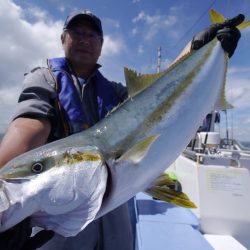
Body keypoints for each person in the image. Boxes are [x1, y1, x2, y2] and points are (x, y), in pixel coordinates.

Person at [0, 9, 243, 250]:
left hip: (116, 228)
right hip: (61, 238)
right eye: (76, 32)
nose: (84, 38)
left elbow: (164, 88)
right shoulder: (44, 80)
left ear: (102, 44)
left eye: (92, 34)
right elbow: (27, 126)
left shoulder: (116, 93)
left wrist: (198, 47)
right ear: (63, 39)